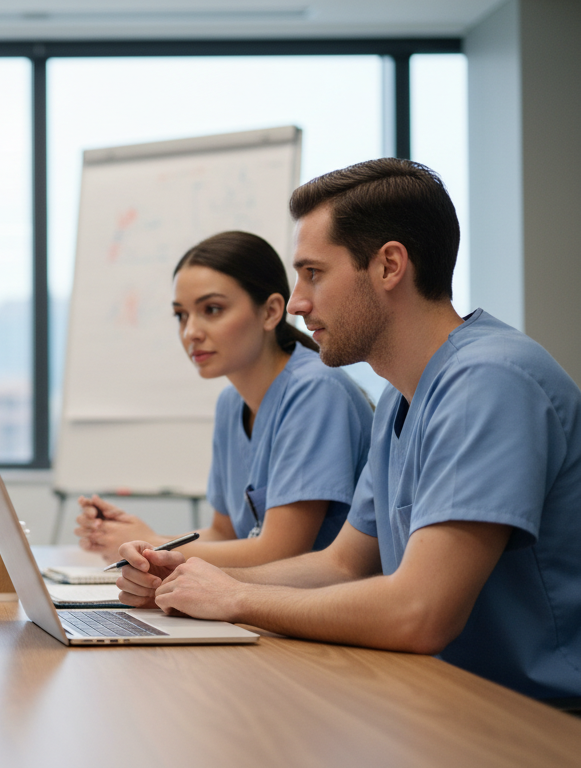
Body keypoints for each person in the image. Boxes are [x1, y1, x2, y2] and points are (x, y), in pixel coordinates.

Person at [118, 158, 581, 700]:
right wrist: (185, 579)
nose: (296, 302)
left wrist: (237, 599)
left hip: (537, 718)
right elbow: (342, 566)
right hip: (440, 696)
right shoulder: (399, 401)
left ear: (389, 266)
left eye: (313, 273)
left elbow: (420, 611)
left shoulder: (490, 381)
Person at [75, 231, 372, 567]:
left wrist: (152, 545)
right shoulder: (231, 404)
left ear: (271, 312)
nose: (191, 332)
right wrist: (140, 539)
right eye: (181, 315)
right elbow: (223, 533)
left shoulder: (316, 391)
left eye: (212, 309)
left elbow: (280, 552)